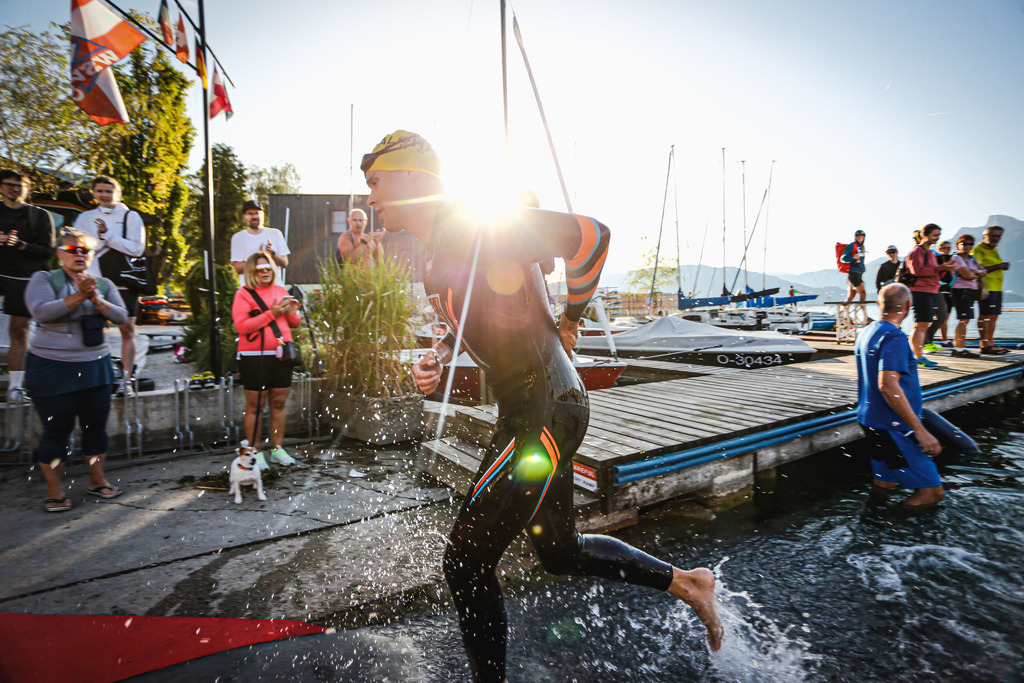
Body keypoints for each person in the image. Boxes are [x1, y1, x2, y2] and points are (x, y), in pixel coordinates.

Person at [361, 130, 722, 681]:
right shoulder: (436, 253)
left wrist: (573, 317)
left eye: (376, 182)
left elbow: (592, 237)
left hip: (543, 412)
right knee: (559, 550)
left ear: (413, 177)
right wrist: (437, 358)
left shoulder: (473, 224)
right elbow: (475, 321)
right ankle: (688, 583)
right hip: (535, 411)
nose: (371, 197)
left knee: (465, 561)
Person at [24, 229, 127, 512]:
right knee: (57, 430)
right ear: (60, 254)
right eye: (72, 249)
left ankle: (98, 480)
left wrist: (95, 298)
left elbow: (121, 316)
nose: (79, 254)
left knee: (96, 426)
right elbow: (42, 312)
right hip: (52, 367)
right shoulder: (44, 279)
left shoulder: (103, 284)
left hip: (96, 366)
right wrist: (80, 296)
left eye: (85, 250)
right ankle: (55, 491)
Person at [855, 283, 944, 509]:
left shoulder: (867, 332)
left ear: (879, 304)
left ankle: (873, 524)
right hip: (893, 427)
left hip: (870, 420)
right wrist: (920, 431)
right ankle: (894, 526)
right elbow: (887, 385)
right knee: (932, 494)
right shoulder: (895, 338)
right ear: (907, 306)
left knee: (885, 483)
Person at [73, 176, 145, 396]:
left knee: (127, 330)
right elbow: (77, 248)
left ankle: (126, 380)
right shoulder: (85, 218)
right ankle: (91, 379)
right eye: (100, 191)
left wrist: (108, 236)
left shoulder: (131, 216)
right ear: (94, 193)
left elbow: (137, 249)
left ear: (117, 193)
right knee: (91, 330)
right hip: (93, 280)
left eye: (108, 191)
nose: (104, 195)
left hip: (124, 280)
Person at [231, 252, 300, 469]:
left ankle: (277, 449)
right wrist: (272, 314)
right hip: (254, 356)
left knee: (279, 403)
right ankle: (255, 452)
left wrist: (292, 312)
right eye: (260, 269)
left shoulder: (280, 291)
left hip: (282, 354)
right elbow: (242, 326)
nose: (265, 272)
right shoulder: (243, 294)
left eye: (268, 268)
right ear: (251, 271)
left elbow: (294, 323)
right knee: (256, 405)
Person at [0, 169, 56, 401]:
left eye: (20, 185)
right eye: (10, 184)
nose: (15, 189)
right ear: (1, 187)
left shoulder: (39, 215)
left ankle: (15, 388)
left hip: (24, 279)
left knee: (19, 331)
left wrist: (21, 244)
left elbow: (49, 251)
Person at [905, 224, 957, 367]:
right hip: (921, 292)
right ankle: (918, 357)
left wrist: (945, 269)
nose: (937, 238)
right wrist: (941, 267)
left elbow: (935, 273)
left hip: (931, 291)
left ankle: (917, 355)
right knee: (920, 325)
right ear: (925, 235)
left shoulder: (931, 253)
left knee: (923, 324)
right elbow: (917, 271)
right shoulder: (917, 251)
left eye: (938, 235)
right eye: (934, 235)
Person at [971, 225, 1011, 355]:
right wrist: (999, 266)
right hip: (986, 288)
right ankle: (984, 344)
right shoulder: (978, 250)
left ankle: (991, 342)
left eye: (999, 236)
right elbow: (977, 270)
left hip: (997, 288)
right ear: (984, 236)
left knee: (994, 316)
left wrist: (1000, 266)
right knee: (985, 316)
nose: (996, 239)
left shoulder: (994, 250)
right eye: (993, 236)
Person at [230, 200, 290, 282]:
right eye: (250, 213)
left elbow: (284, 263)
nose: (254, 216)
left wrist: (272, 253)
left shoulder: (275, 233)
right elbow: (238, 269)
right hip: (250, 288)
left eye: (257, 213)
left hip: (274, 287)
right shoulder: (238, 238)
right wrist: (259, 257)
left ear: (263, 215)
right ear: (244, 216)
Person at [948, 235, 986, 358]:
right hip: (961, 290)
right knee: (963, 320)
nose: (968, 246)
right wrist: (976, 273)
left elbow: (984, 271)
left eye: (971, 244)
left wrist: (974, 272)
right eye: (964, 244)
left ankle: (959, 347)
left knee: (966, 320)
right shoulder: (956, 258)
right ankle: (959, 349)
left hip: (970, 290)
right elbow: (967, 275)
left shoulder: (972, 258)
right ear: (957, 245)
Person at [923, 240, 953, 351]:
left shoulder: (950, 259)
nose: (948, 250)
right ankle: (934, 341)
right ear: (939, 249)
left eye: (949, 248)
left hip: (946, 291)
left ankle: (929, 340)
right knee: (937, 317)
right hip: (935, 290)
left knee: (943, 316)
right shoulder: (935, 258)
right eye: (946, 248)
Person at [840, 230, 867, 302]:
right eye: (857, 235)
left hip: (859, 274)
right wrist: (853, 257)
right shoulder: (852, 246)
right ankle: (862, 309)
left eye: (861, 235)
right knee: (863, 294)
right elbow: (843, 259)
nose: (859, 237)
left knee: (851, 296)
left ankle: (843, 308)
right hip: (853, 274)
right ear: (855, 237)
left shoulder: (862, 247)